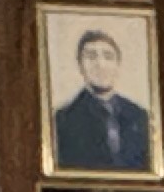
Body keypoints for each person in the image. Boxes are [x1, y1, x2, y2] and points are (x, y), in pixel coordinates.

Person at [50, 25, 153, 173]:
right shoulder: (63, 121)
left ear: (118, 64)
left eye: (108, 56)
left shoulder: (140, 116)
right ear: (80, 65)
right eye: (91, 57)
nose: (100, 65)